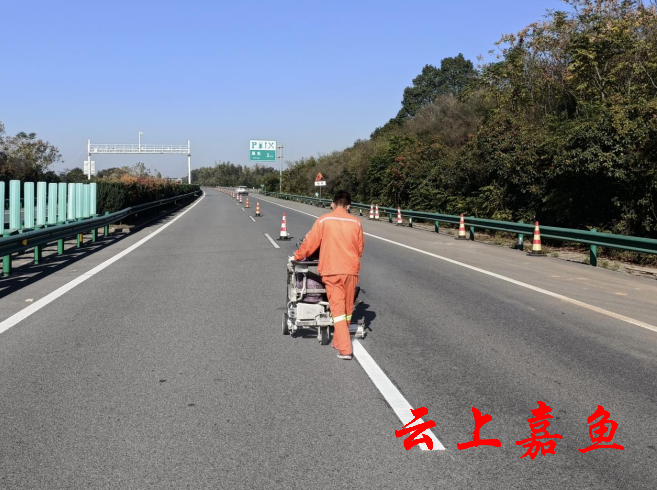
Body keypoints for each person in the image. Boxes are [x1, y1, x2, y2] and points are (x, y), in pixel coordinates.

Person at [293, 190, 364, 360]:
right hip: (350, 270)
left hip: (332, 271)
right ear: (348, 206)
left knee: (338, 310)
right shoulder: (356, 222)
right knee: (347, 309)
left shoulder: (324, 220)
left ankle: (345, 349)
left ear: (333, 204)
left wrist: (297, 256)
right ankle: (339, 341)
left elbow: (310, 244)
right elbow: (359, 249)